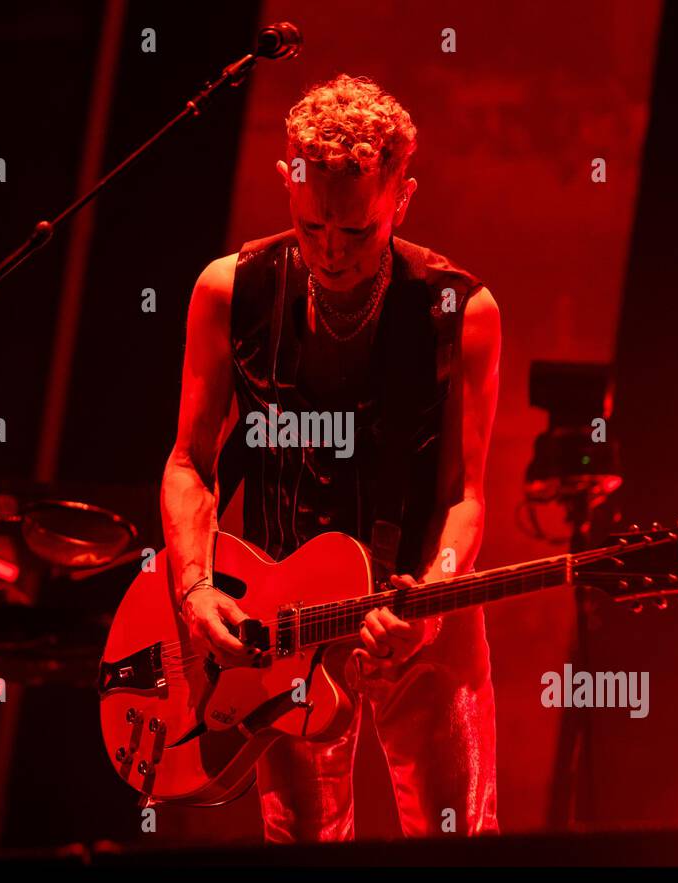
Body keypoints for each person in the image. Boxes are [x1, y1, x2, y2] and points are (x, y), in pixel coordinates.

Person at [161, 75, 503, 841]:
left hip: (419, 614)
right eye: (313, 225)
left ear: (402, 200)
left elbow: (468, 497)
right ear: (288, 181)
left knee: (460, 848)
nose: (331, 253)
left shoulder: (463, 310)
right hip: (282, 620)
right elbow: (188, 463)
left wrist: (436, 597)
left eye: (358, 232)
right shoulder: (229, 289)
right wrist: (193, 587)